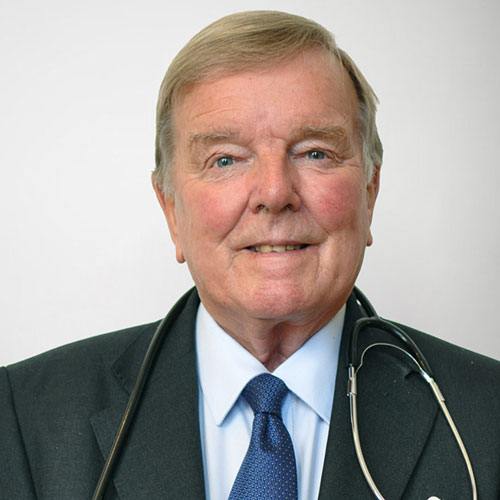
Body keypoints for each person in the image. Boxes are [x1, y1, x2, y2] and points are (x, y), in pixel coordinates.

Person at [1, 10, 499, 500]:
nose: (275, 192)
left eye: (315, 153)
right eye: (225, 159)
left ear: (370, 192)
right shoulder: (22, 417)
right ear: (170, 208)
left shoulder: (488, 417)